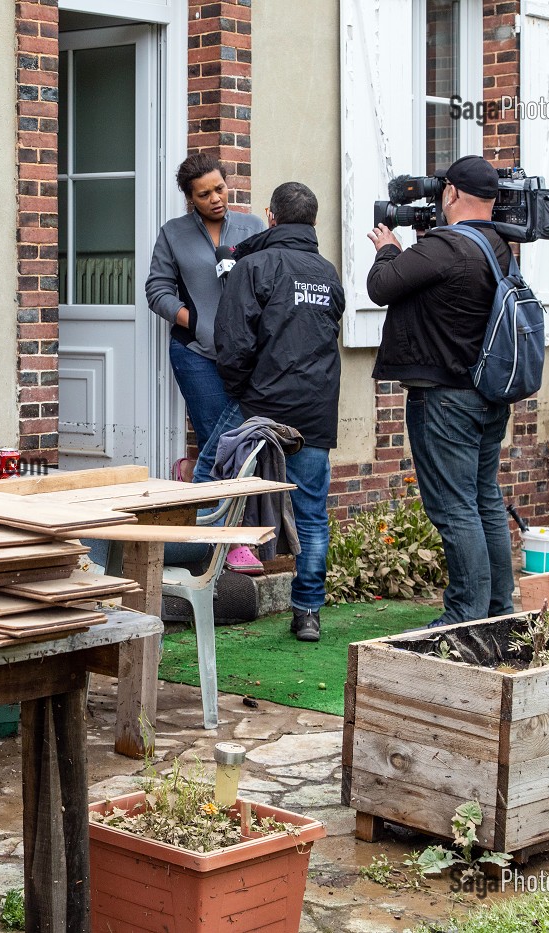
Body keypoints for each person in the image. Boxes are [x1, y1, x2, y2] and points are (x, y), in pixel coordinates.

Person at [366, 154, 515, 626]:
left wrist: (389, 247)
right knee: (484, 499)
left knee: (455, 508)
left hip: (444, 400)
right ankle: (497, 608)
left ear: (450, 193)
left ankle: (464, 615)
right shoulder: (498, 245)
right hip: (487, 395)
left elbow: (382, 285)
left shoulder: (446, 246)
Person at [213, 182, 345, 641]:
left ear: (271, 217)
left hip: (261, 407)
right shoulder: (327, 273)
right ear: (313, 222)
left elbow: (232, 342)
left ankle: (198, 584)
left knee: (211, 486)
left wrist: (243, 394)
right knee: (311, 514)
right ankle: (307, 612)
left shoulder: (255, 266)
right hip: (316, 412)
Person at [146, 153, 266, 573]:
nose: (216, 198)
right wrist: (194, 321)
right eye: (204, 194)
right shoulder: (173, 234)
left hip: (248, 353)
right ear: (189, 199)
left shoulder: (253, 227)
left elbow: (271, 279)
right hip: (196, 353)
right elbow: (157, 290)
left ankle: (208, 501)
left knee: (237, 441)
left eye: (220, 188)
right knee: (225, 435)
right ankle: (228, 540)